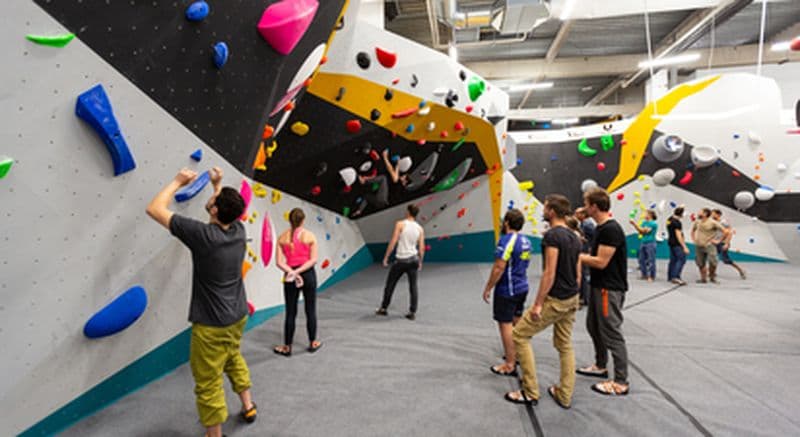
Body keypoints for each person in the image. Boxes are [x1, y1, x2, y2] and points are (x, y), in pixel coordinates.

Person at [146, 167, 256, 437]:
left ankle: (214, 435)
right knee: (233, 358)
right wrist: (216, 186)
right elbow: (220, 214)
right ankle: (249, 406)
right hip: (238, 316)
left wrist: (178, 181)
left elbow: (155, 209)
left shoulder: (202, 237)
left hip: (211, 327)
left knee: (208, 382)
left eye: (215, 202)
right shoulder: (238, 230)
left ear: (216, 210)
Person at [504, 195, 582, 408]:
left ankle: (530, 391)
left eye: (546, 207)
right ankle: (564, 394)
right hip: (572, 297)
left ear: (552, 212)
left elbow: (549, 272)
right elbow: (578, 273)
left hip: (556, 299)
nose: (543, 210)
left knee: (519, 335)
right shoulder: (575, 237)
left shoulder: (552, 236)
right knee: (564, 345)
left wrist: (538, 303)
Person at [576, 188, 630, 396]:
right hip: (598, 286)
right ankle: (600, 365)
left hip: (610, 288)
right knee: (594, 327)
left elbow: (600, 261)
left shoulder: (610, 229)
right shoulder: (600, 227)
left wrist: (576, 255)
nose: (583, 207)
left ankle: (620, 381)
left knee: (611, 332)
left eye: (586, 204)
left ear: (594, 207)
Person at [483, 209, 532, 377]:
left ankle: (510, 364)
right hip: (522, 287)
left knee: (505, 325)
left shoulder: (506, 241)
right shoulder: (526, 240)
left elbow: (499, 267)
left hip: (508, 290)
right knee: (517, 322)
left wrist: (488, 287)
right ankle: (517, 354)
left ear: (507, 223)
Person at [274, 208, 322, 356]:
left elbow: (278, 262)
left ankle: (287, 347)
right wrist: (299, 272)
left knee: (290, 311)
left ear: (290, 220)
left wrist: (292, 272)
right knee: (310, 309)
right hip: (307, 275)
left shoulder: (282, 238)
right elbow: (313, 260)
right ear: (303, 220)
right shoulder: (310, 236)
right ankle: (313, 342)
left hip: (290, 276)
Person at [376, 204, 425, 320]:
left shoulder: (400, 224)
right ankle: (412, 312)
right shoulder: (420, 229)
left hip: (401, 260)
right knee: (413, 286)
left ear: (408, 212)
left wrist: (386, 257)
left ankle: (383, 309)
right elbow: (422, 248)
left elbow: (393, 241)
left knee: (390, 285)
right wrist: (420, 261)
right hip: (413, 260)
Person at [352, 149, 410, 217]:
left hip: (383, 200)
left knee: (383, 179)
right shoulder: (400, 186)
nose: (402, 176)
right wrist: (397, 165)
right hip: (382, 205)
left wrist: (385, 157)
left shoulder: (400, 185)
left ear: (405, 182)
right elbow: (395, 175)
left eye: (403, 177)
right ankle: (359, 211)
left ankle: (364, 181)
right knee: (366, 197)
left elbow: (391, 171)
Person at [691, 208, 729, 284]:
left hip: (709, 245)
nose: (698, 213)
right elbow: (693, 230)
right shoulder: (697, 221)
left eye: (700, 212)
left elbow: (726, 231)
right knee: (700, 263)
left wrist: (719, 241)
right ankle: (703, 279)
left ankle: (712, 277)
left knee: (713, 262)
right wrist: (694, 239)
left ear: (705, 214)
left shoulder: (713, 222)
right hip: (699, 245)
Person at [711, 209, 746, 279]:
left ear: (718, 215)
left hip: (723, 243)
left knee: (726, 260)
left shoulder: (723, 222)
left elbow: (729, 233)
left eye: (713, 213)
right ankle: (713, 273)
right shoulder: (713, 222)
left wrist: (727, 243)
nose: (711, 215)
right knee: (713, 258)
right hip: (715, 242)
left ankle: (741, 270)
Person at [629, 210, 658, 282]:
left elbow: (644, 231)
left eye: (645, 213)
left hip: (651, 243)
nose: (644, 215)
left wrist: (634, 224)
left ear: (650, 215)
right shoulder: (644, 222)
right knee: (641, 259)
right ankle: (644, 275)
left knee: (651, 260)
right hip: (643, 242)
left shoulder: (653, 223)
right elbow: (640, 231)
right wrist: (635, 226)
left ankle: (651, 276)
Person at [575, 207, 595, 306]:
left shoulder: (588, 225)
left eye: (577, 213)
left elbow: (595, 237)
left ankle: (585, 298)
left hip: (586, 252)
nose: (575, 215)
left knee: (584, 275)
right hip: (584, 251)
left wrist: (587, 243)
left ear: (583, 214)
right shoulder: (583, 224)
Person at [666, 206, 690, 285]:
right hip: (677, 243)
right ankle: (676, 277)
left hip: (670, 242)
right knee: (681, 259)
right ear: (681, 214)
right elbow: (678, 235)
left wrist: (680, 207)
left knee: (673, 260)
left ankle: (670, 276)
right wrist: (684, 247)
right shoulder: (677, 223)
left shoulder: (669, 220)